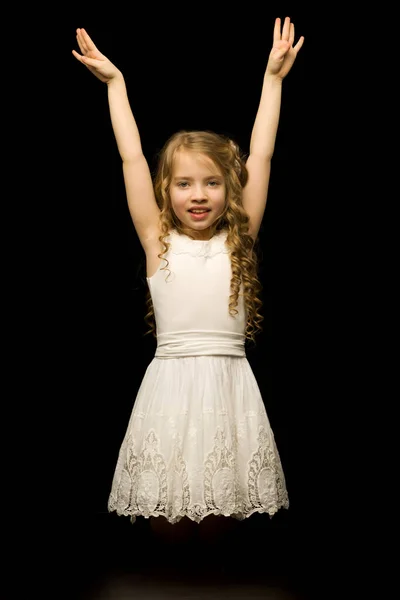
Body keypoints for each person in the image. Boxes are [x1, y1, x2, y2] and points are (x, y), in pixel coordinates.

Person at [72, 18, 304, 537]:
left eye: (211, 183)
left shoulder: (237, 238)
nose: (198, 195)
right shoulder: (158, 242)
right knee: (170, 513)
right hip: (172, 386)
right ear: (166, 190)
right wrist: (116, 85)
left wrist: (273, 81)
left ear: (230, 189)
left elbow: (262, 155)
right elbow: (130, 156)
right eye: (183, 183)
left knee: (223, 512)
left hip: (229, 383)